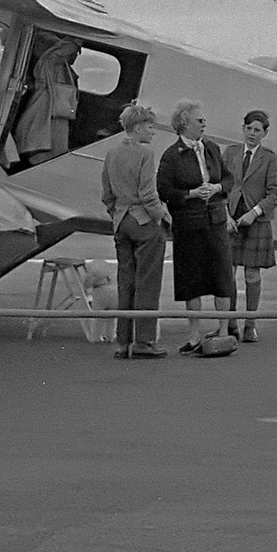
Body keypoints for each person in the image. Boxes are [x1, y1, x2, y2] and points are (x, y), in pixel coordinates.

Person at [156, 99, 236, 354]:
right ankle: (194, 336)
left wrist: (216, 188)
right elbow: (164, 190)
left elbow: (228, 178)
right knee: (192, 279)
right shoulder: (171, 155)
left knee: (222, 277)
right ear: (184, 123)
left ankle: (223, 332)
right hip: (188, 224)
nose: (204, 124)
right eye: (200, 121)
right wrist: (190, 194)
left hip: (215, 221)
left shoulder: (211, 148)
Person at [100, 101, 171, 359]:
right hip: (143, 222)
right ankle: (144, 341)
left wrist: (116, 213)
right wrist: (162, 217)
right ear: (139, 127)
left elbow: (106, 193)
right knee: (147, 283)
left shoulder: (111, 153)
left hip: (121, 221)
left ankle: (123, 342)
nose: (153, 132)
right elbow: (148, 194)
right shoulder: (144, 154)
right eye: (150, 127)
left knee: (125, 282)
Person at [222, 108, 277, 343]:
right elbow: (220, 185)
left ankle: (250, 323)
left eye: (257, 130)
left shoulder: (269, 158)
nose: (252, 134)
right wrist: (225, 215)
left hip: (255, 220)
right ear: (243, 129)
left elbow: (275, 193)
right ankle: (231, 321)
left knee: (251, 274)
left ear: (265, 134)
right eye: (249, 129)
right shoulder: (230, 152)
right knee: (228, 273)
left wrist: (254, 213)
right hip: (231, 220)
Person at [14, 36, 80, 166]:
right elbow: (62, 50)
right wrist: (77, 40)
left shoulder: (62, 69)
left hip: (57, 115)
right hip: (47, 112)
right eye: (74, 54)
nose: (75, 56)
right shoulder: (47, 63)